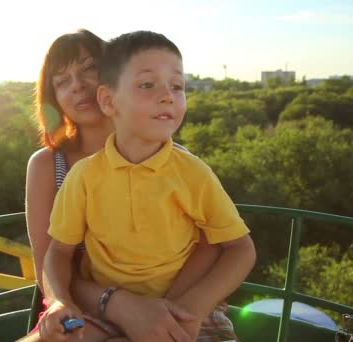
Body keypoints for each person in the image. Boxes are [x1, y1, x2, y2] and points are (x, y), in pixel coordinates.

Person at [21, 29, 242, 342]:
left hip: (175, 305)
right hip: (85, 309)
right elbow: (51, 261)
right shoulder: (51, 166)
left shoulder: (178, 164)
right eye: (61, 81)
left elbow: (217, 245)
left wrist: (161, 312)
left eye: (88, 69)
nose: (78, 86)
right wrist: (119, 306)